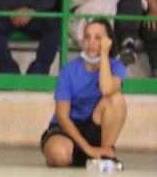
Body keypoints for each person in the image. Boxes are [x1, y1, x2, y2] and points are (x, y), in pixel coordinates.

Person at [41, 20, 127, 167]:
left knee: (116, 99)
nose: (91, 42)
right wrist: (88, 149)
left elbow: (106, 89)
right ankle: (86, 155)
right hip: (68, 128)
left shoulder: (116, 67)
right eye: (87, 37)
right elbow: (62, 116)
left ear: (108, 41)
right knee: (59, 156)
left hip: (94, 126)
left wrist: (104, 55)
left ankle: (105, 154)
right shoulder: (68, 71)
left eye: (98, 38)